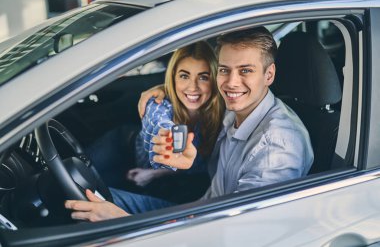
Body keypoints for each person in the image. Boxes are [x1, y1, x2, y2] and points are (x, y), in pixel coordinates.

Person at [65, 26, 314, 221]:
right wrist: (164, 89)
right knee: (83, 197)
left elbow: (238, 235)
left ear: (268, 74)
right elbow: (198, 95)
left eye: (245, 70)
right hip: (195, 212)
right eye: (224, 70)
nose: (231, 83)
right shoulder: (235, 109)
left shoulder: (276, 148)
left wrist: (125, 222)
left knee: (91, 211)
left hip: (203, 231)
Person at [127, 41, 224, 202]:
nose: (193, 87)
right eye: (184, 76)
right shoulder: (157, 105)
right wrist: (169, 140)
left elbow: (198, 165)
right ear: (173, 78)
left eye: (203, 77)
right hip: (125, 143)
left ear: (214, 80)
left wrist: (154, 174)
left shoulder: (220, 112)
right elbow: (161, 128)